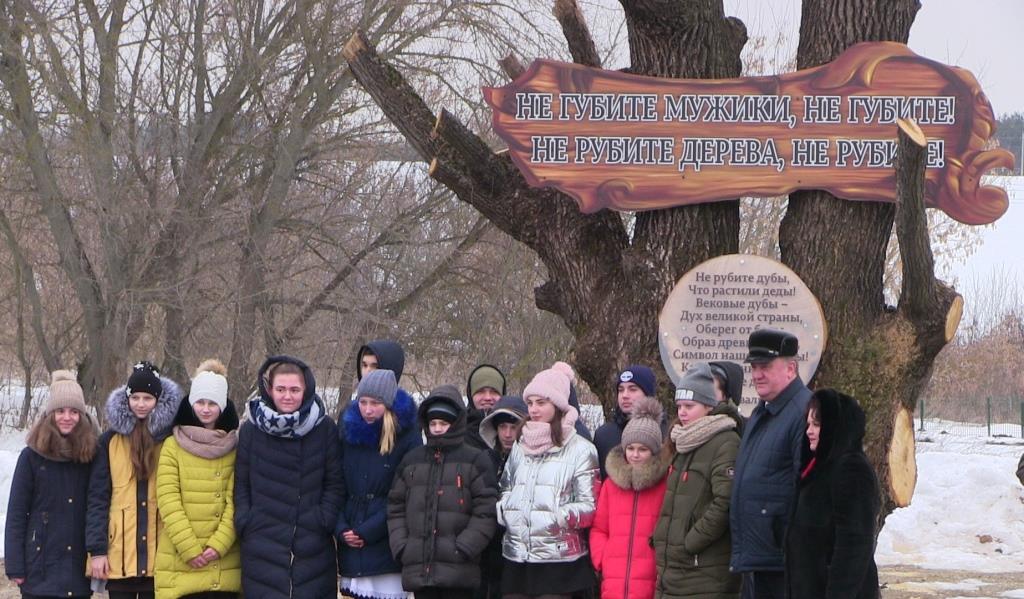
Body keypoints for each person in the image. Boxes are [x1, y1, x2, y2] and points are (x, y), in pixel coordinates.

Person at [234, 355, 342, 598]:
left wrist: (324, 519)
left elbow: (334, 483)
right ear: (269, 389)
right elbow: (242, 482)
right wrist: (246, 521)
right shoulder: (252, 429)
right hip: (262, 542)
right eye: (280, 389)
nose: (287, 396)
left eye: (295, 389)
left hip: (311, 543)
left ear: (307, 389)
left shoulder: (323, 428)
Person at [498, 361, 599, 599]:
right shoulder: (520, 445)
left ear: (558, 405)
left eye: (541, 403)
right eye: (530, 403)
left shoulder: (581, 449)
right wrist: (506, 510)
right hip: (517, 557)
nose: (533, 409)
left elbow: (590, 507)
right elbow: (505, 488)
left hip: (559, 562)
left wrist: (555, 516)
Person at [387, 385, 498, 599]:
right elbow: (395, 506)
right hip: (419, 569)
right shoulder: (412, 460)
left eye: (444, 423)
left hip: (460, 571)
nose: (437, 429)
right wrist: (402, 546)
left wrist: (465, 547)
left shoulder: (475, 460)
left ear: (455, 424)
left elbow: (486, 510)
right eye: (433, 423)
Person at [87, 361, 183, 599]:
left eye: (148, 398)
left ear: (158, 400)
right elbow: (98, 499)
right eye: (136, 397)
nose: (141, 404)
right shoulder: (109, 441)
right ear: (127, 398)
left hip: (160, 556)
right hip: (120, 555)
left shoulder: (172, 439)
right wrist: (97, 551)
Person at [729, 329, 812, 599]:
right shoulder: (761, 414)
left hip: (782, 562)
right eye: (753, 367)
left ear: (791, 368)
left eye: (765, 366)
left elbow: (807, 488)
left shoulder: (804, 412)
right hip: (759, 558)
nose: (756, 375)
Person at [5, 370, 98, 599]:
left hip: (77, 572)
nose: (67, 417)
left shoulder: (91, 456)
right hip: (39, 568)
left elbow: (98, 507)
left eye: (74, 411)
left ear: (82, 415)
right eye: (60, 411)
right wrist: (15, 564)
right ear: (50, 414)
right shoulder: (31, 457)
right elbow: (17, 513)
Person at [653, 362, 742, 599]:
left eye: (689, 406)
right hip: (674, 571)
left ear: (708, 406)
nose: (682, 412)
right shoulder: (683, 441)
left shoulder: (725, 442)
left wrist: (690, 541)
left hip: (703, 571)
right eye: (679, 406)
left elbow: (726, 500)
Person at [154, 359, 241, 599]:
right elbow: (168, 499)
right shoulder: (173, 445)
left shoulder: (234, 446)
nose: (205, 409)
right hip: (182, 561)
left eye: (212, 403)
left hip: (223, 562)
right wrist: (190, 549)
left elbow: (237, 500)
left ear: (222, 406)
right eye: (200, 402)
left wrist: (219, 545)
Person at [785, 389, 881, 599]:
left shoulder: (851, 469)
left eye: (817, 424)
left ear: (836, 427)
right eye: (808, 424)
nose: (809, 431)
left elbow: (854, 544)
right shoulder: (816, 468)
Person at [337, 368, 421, 599]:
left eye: (375, 403)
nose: (367, 409)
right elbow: (337, 485)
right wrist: (341, 527)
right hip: (350, 538)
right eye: (363, 402)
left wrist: (369, 530)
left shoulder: (406, 436)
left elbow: (405, 492)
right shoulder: (348, 432)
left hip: (386, 544)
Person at [590, 396, 670, 599]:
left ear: (654, 451)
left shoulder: (665, 484)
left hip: (651, 581)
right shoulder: (611, 485)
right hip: (613, 582)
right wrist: (602, 557)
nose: (635, 455)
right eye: (630, 448)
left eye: (642, 449)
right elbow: (599, 528)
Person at [475, 395, 527, 599]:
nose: (507, 434)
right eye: (502, 427)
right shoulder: (484, 460)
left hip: (518, 550)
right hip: (487, 548)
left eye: (513, 427)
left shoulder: (531, 462)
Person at [593, 365, 658, 478]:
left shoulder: (663, 432)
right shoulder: (604, 435)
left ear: (647, 393)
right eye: (621, 390)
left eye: (633, 389)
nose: (625, 395)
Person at [464, 364, 508, 459]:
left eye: (494, 392)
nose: (487, 397)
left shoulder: (512, 430)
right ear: (471, 395)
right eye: (480, 391)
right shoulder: (458, 431)